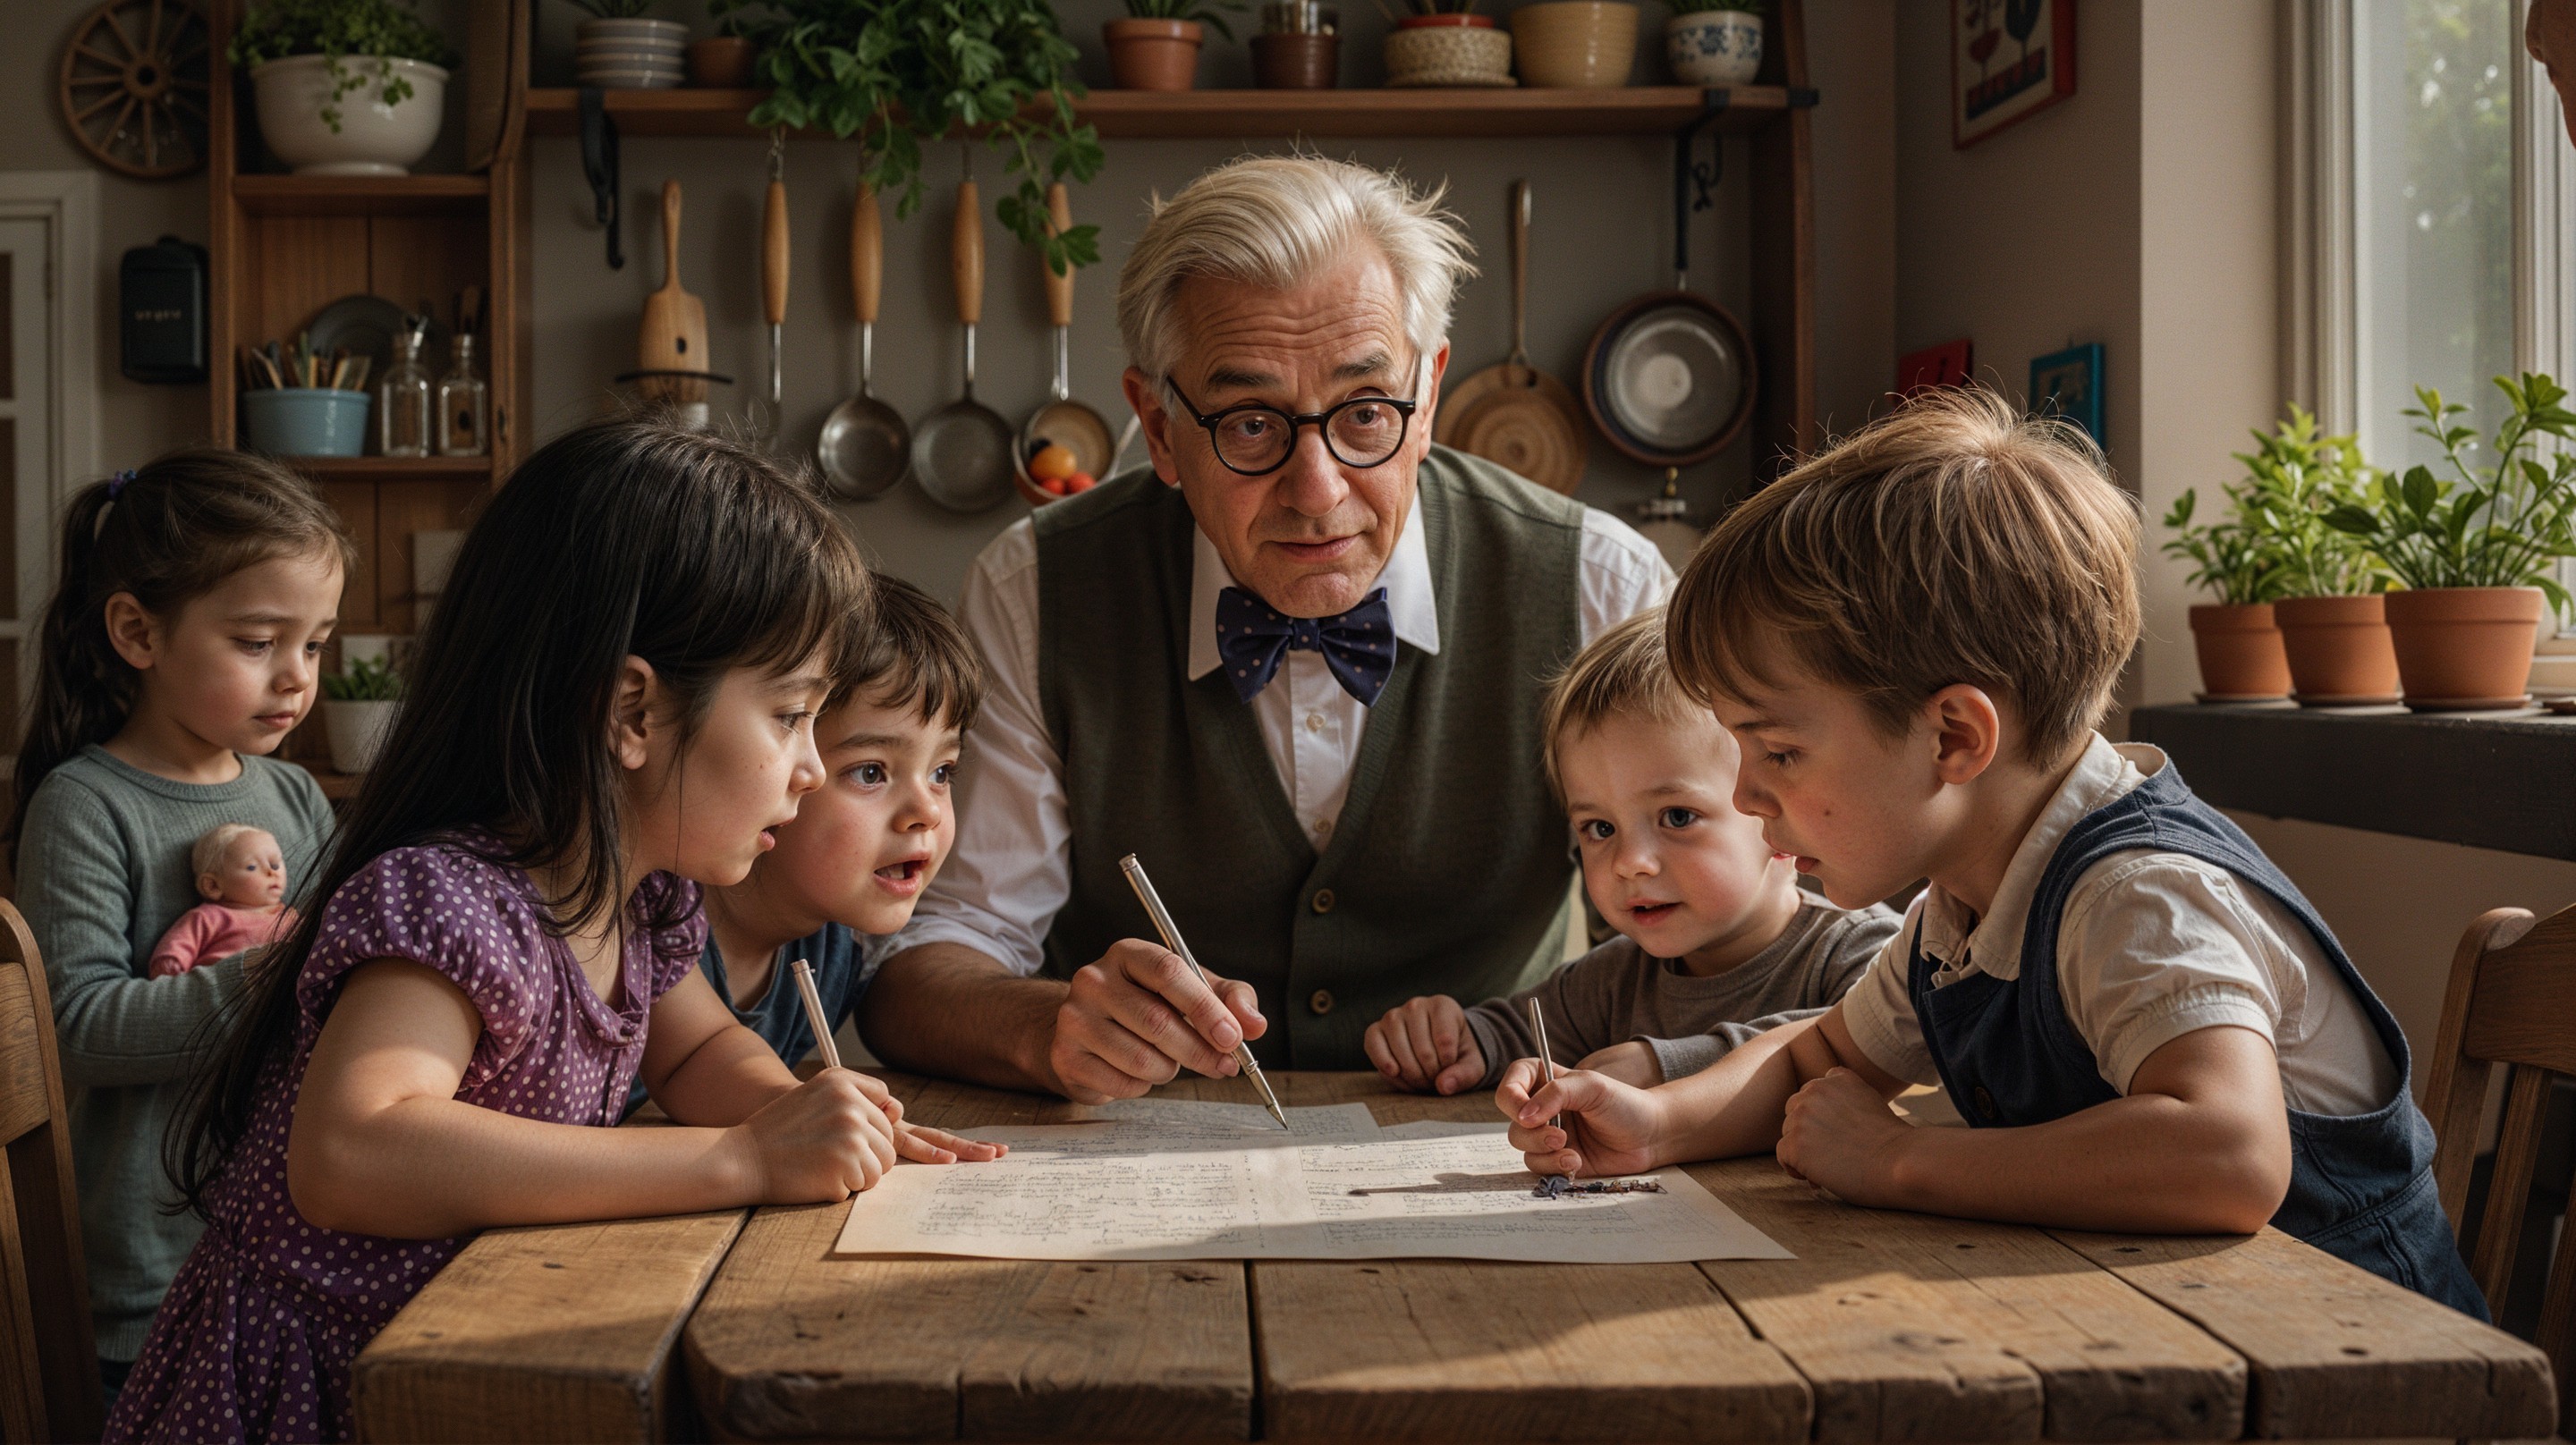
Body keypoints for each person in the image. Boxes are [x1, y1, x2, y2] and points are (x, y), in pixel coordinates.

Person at [1498, 388, 2484, 1316]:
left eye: (1780, 750)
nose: (1749, 794)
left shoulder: (2137, 895)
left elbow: (2228, 1153)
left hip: (2363, 1361)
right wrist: (1657, 1123)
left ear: (1956, 737)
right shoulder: (1961, 909)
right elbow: (1823, 1053)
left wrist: (1896, 1162)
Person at [110, 420, 996, 1444]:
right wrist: (743, 1160)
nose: (807, 766)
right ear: (632, 709)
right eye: (792, 713)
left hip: (478, 1353)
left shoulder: (640, 900)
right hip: (320, 1393)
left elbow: (701, 1046)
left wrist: (804, 1110)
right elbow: (354, 1147)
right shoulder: (452, 898)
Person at [869, 155, 1673, 1103]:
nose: (1318, 491)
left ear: (1430, 396)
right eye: (1250, 423)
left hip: (1500, 1146)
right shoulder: (1034, 586)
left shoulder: (1599, 584)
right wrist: (1045, 1026)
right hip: (1127, 1162)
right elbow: (924, 963)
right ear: (1159, 427)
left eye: (1367, 412)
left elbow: (1728, 924)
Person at [7, 452, 348, 1399]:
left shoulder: (294, 792)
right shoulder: (84, 804)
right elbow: (74, 1029)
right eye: (257, 641)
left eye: (315, 644)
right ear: (137, 630)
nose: (296, 677)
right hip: (149, 1270)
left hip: (286, 1245)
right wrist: (269, 977)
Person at [1363, 609, 1898, 1095]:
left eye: (1678, 817)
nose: (1629, 861)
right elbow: (1514, 1032)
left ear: (1775, 813)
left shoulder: (1868, 954)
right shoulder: (1611, 981)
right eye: (1599, 827)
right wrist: (1451, 1037)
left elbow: (1843, 1043)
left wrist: (1662, 1065)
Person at [627, 576, 989, 1110]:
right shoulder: (652, 913)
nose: (927, 812)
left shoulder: (835, 949)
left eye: (942, 771)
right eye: (870, 772)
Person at [147, 824, 298, 978]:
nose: (271, 872)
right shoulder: (207, 918)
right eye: (252, 867)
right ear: (213, 886)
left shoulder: (292, 917)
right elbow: (169, 961)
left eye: (275, 864)